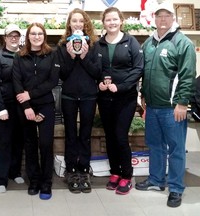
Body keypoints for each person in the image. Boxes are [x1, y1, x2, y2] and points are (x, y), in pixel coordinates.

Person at [135, 2, 196, 208]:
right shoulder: (149, 43)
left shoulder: (183, 43)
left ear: (173, 18)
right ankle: (156, 180)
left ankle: (176, 188)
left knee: (176, 149)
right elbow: (144, 73)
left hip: (173, 109)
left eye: (166, 16)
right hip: (152, 107)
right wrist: (143, 95)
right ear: (154, 18)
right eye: (159, 16)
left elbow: (187, 76)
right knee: (155, 145)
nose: (162, 20)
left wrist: (182, 103)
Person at [93, 7, 143, 195]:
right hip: (105, 98)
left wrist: (120, 86)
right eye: (108, 20)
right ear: (103, 23)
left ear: (121, 21)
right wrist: (99, 83)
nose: (112, 23)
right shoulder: (99, 45)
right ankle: (114, 172)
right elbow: (95, 69)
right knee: (110, 136)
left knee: (121, 137)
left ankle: (127, 176)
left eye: (115, 19)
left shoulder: (131, 42)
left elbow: (138, 69)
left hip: (125, 98)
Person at [13, 23, 60, 200]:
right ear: (28, 36)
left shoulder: (52, 54)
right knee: (30, 145)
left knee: (46, 144)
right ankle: (34, 180)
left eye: (40, 33)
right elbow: (16, 83)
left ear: (44, 36)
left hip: (46, 105)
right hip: (25, 108)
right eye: (33, 33)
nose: (37, 36)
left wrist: (30, 95)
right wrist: (26, 107)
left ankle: (46, 183)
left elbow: (53, 81)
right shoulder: (19, 56)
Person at [57, 8, 99, 194]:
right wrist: (71, 56)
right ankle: (72, 170)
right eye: (74, 21)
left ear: (85, 24)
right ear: (70, 24)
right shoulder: (61, 46)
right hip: (69, 96)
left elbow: (97, 73)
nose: (78, 24)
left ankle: (84, 169)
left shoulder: (94, 45)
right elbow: (62, 74)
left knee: (85, 134)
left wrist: (83, 56)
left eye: (81, 21)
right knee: (71, 134)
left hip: (89, 96)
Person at [0, 24, 25, 193]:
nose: (14, 38)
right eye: (11, 35)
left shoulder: (24, 55)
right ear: (5, 38)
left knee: (18, 140)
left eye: (16, 35)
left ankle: (14, 171)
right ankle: (0, 180)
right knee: (4, 142)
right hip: (4, 107)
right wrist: (0, 108)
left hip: (21, 105)